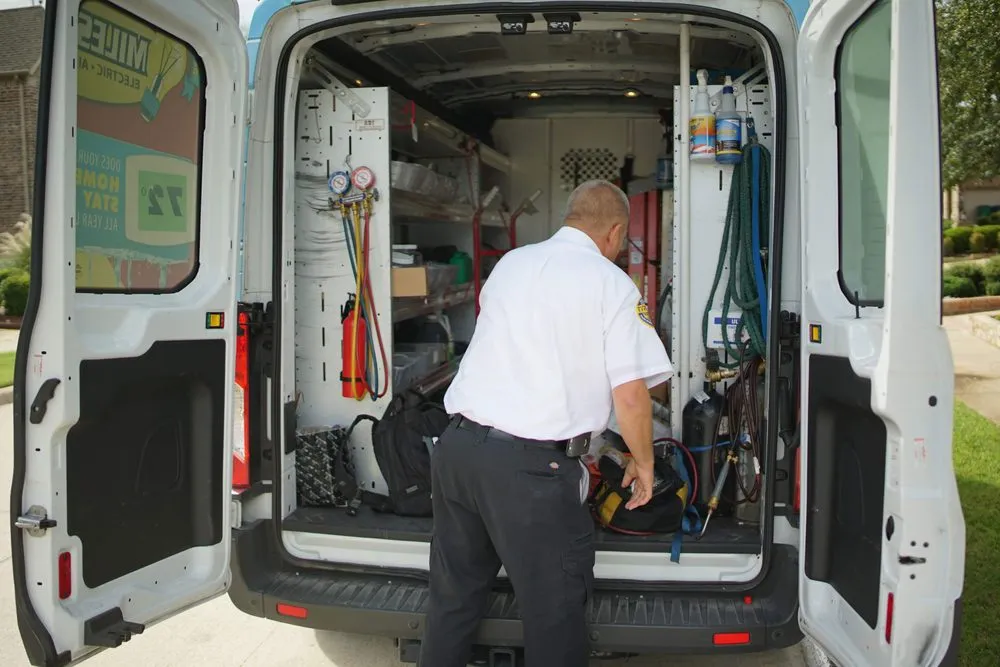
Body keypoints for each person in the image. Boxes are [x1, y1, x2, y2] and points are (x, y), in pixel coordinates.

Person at [418, 180, 673, 667]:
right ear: (615, 232)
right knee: (553, 618)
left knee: (452, 602)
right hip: (530, 474)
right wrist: (644, 464)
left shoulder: (511, 264)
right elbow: (632, 396)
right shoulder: (612, 283)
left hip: (457, 452)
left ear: (570, 217)